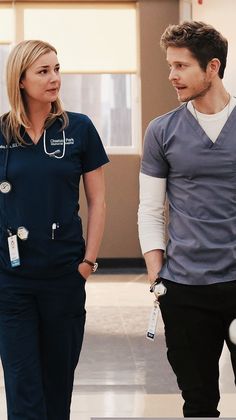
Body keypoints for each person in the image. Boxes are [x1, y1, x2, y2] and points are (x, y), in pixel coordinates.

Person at [0, 40, 109, 420]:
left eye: (57, 69)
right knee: (21, 383)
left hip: (64, 275)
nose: (55, 79)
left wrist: (88, 262)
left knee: (57, 384)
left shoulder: (79, 129)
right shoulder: (2, 134)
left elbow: (97, 201)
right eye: (44, 71)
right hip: (12, 282)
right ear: (21, 79)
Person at [138, 21, 236, 417]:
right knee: (197, 402)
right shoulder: (161, 131)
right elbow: (149, 208)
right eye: (170, 65)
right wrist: (157, 274)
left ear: (212, 67)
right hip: (185, 288)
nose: (172, 76)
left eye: (181, 66)